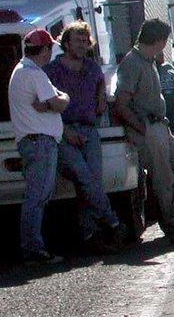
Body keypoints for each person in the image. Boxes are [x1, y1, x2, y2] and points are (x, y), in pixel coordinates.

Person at [114, 19, 174, 245]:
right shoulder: (132, 63)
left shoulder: (149, 62)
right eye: (164, 39)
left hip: (161, 126)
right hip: (149, 128)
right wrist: (143, 129)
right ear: (158, 40)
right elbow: (121, 104)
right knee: (163, 180)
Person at [45, 22, 123, 254]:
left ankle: (89, 234)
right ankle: (113, 222)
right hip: (64, 131)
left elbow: (101, 85)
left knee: (91, 184)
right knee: (84, 177)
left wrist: (101, 96)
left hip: (89, 130)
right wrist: (64, 131)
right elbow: (46, 105)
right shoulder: (52, 70)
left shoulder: (92, 68)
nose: (81, 45)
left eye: (84, 41)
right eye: (77, 41)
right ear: (66, 43)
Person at [7, 29, 69, 264]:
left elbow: (51, 103)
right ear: (43, 50)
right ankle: (32, 248)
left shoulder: (21, 70)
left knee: (37, 195)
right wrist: (64, 96)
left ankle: (33, 246)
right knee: (37, 196)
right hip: (40, 142)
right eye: (49, 49)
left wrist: (54, 101)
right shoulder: (34, 74)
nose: (50, 54)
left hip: (32, 141)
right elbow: (59, 103)